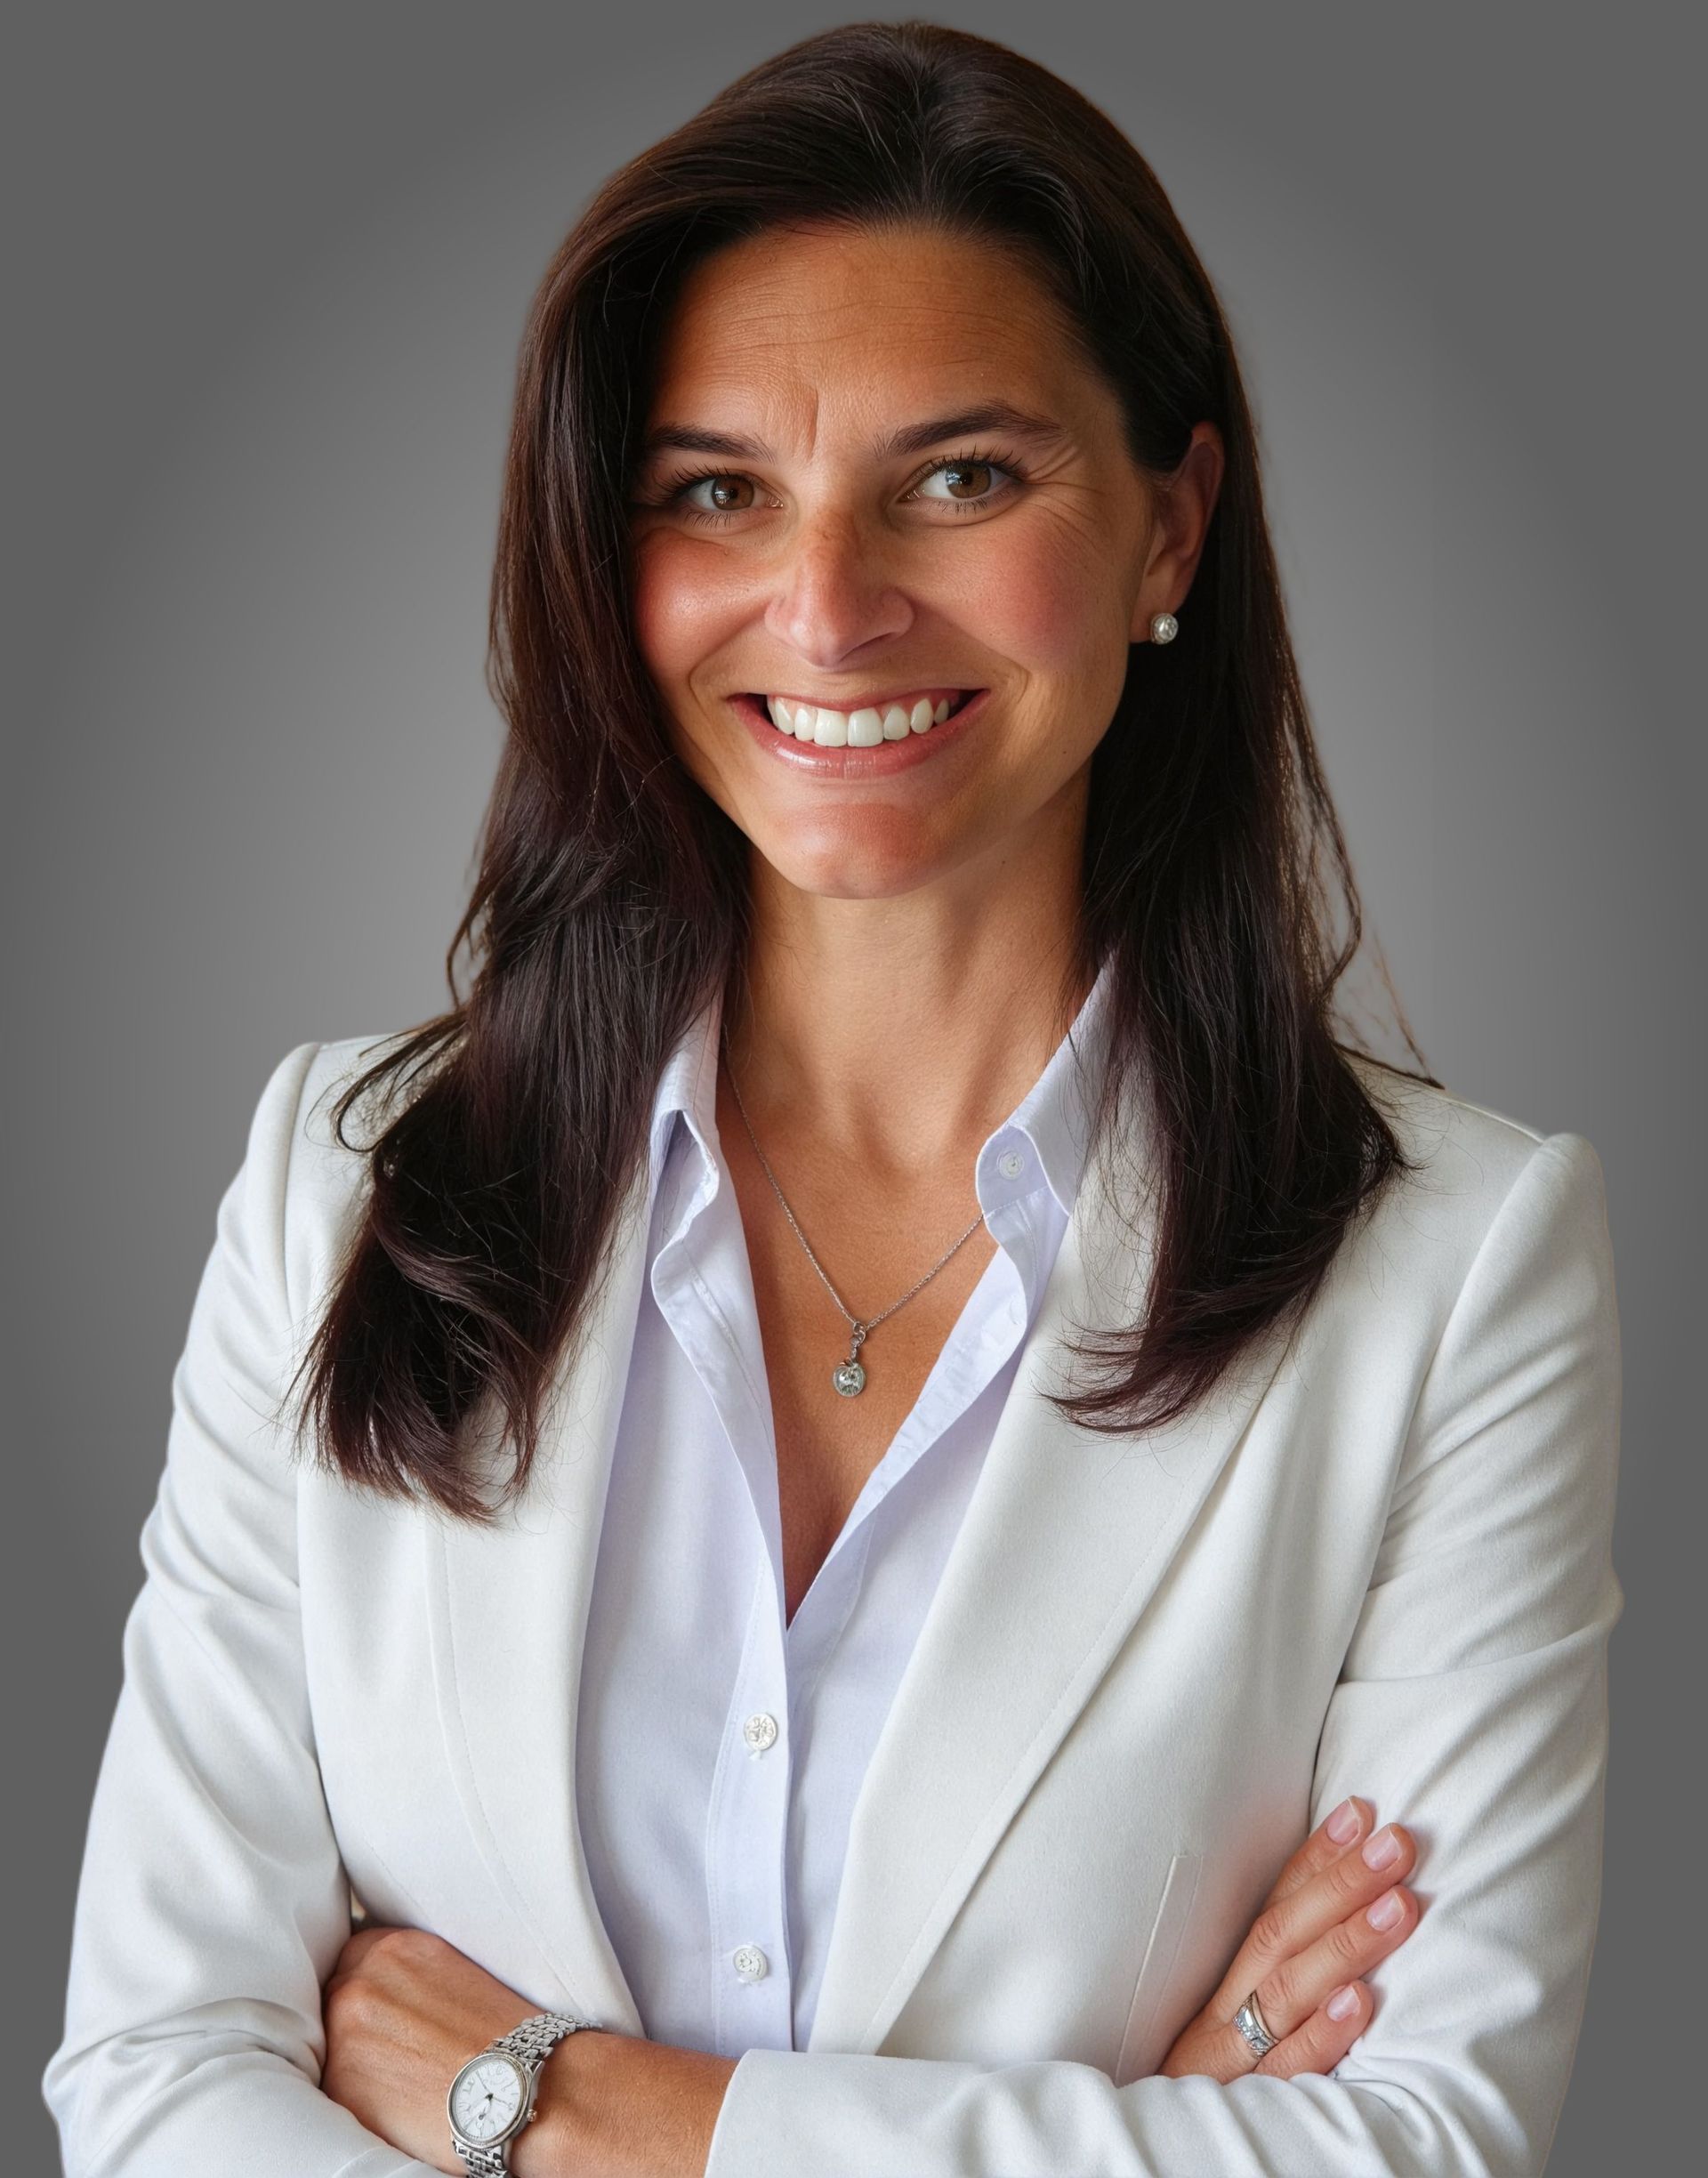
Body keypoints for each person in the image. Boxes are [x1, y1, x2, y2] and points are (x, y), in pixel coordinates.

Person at [42, 20, 1623, 2178]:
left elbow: (1421, 2140)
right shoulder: (341, 1185)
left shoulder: (1461, 1271)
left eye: (963, 478)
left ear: (1173, 527)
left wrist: (580, 2114)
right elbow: (152, 2078)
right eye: (716, 492)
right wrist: (1115, 2136)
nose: (830, 609)